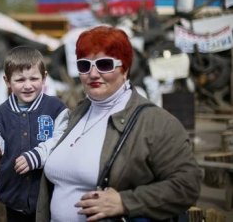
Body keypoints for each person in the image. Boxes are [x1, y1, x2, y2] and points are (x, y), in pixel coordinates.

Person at [36, 26, 201, 221]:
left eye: (104, 64)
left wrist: (125, 202)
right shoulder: (76, 114)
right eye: (84, 65)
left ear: (125, 69)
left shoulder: (155, 122)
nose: (93, 73)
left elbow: (187, 184)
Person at [0, 46, 69, 222]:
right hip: (14, 197)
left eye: (34, 78)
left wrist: (37, 157)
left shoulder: (56, 108)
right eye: (20, 79)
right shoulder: (1, 113)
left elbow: (62, 141)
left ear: (44, 77)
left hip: (49, 198)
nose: (28, 85)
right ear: (7, 81)